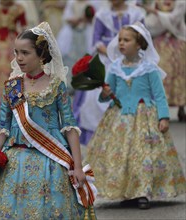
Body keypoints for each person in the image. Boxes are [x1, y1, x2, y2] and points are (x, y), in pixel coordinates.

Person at [0, 22, 97, 219]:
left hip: (51, 161)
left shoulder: (56, 85)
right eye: (16, 53)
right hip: (15, 163)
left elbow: (70, 127)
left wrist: (78, 166)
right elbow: (1, 126)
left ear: (41, 55)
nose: (19, 58)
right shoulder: (12, 86)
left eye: (25, 53)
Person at [85, 22, 186, 209]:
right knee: (122, 155)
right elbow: (107, 95)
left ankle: (143, 191)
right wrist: (105, 93)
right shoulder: (115, 67)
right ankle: (127, 190)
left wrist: (163, 117)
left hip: (144, 118)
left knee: (143, 154)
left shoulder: (149, 68)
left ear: (139, 44)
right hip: (119, 118)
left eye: (127, 40)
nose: (122, 43)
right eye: (120, 40)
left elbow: (159, 95)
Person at [73, 0, 145, 145]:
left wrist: (127, 53)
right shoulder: (102, 15)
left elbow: (143, 39)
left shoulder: (136, 13)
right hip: (106, 58)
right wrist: (110, 53)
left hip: (130, 57)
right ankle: (100, 135)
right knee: (96, 96)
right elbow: (96, 41)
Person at [140, 0, 186, 122]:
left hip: (178, 41)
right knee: (160, 73)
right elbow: (150, 24)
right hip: (160, 43)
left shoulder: (181, 2)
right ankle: (160, 107)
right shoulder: (156, 1)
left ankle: (182, 107)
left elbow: (174, 19)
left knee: (180, 73)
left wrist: (156, 12)